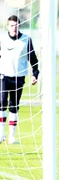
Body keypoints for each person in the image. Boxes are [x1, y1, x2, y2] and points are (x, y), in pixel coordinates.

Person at [0, 15, 39, 144]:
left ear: (19, 26)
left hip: (19, 77)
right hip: (3, 75)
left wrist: (35, 74)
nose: (14, 28)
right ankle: (1, 135)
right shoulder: (2, 38)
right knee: (2, 103)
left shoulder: (26, 39)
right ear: (8, 26)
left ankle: (12, 137)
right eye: (11, 25)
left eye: (16, 25)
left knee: (14, 105)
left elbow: (33, 59)